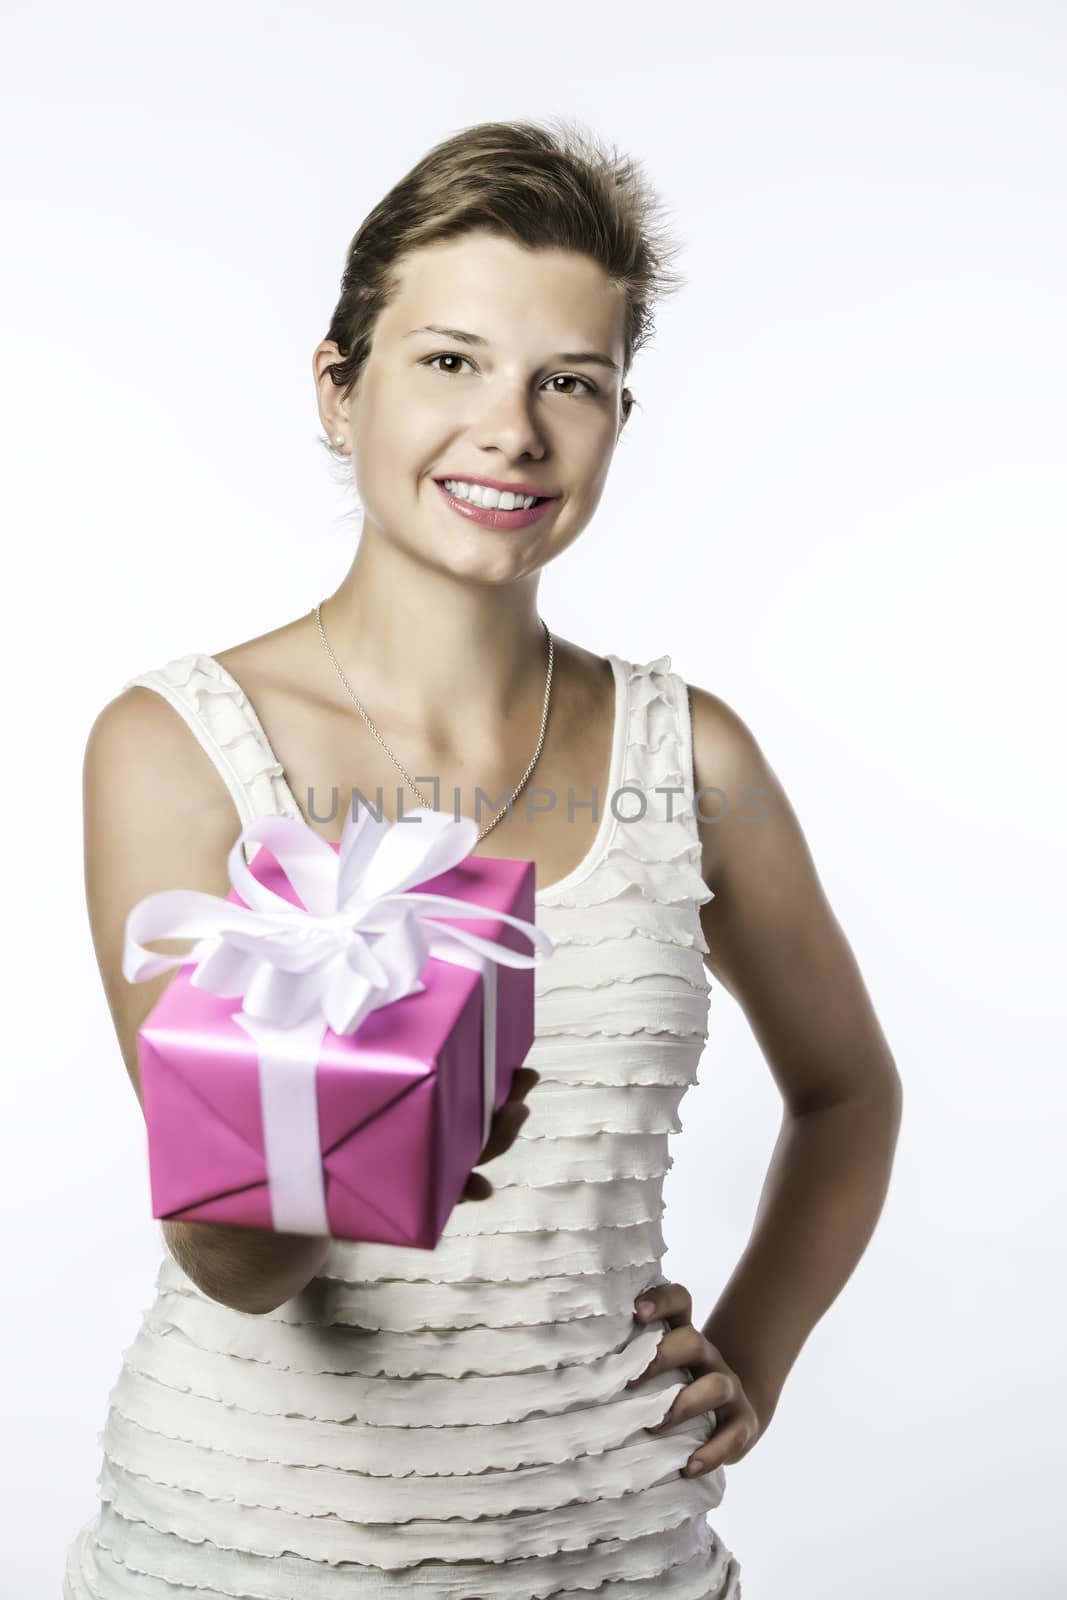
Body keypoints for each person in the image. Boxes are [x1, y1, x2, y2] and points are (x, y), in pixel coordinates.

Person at [64, 116, 903, 1599]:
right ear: (341, 389)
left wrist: (754, 1356)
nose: (511, 429)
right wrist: (378, 1140)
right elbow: (229, 1263)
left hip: (616, 1550)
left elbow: (847, 1092)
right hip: (242, 1554)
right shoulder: (175, 744)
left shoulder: (690, 756)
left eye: (568, 382)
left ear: (615, 420)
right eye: (448, 360)